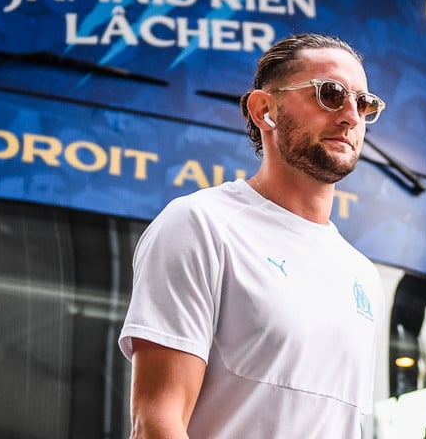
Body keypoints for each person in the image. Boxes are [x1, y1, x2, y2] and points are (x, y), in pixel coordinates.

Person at [118, 33, 388, 438]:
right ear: (265, 110)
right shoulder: (202, 225)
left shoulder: (362, 275)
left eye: (363, 103)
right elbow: (157, 423)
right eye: (330, 94)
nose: (351, 115)